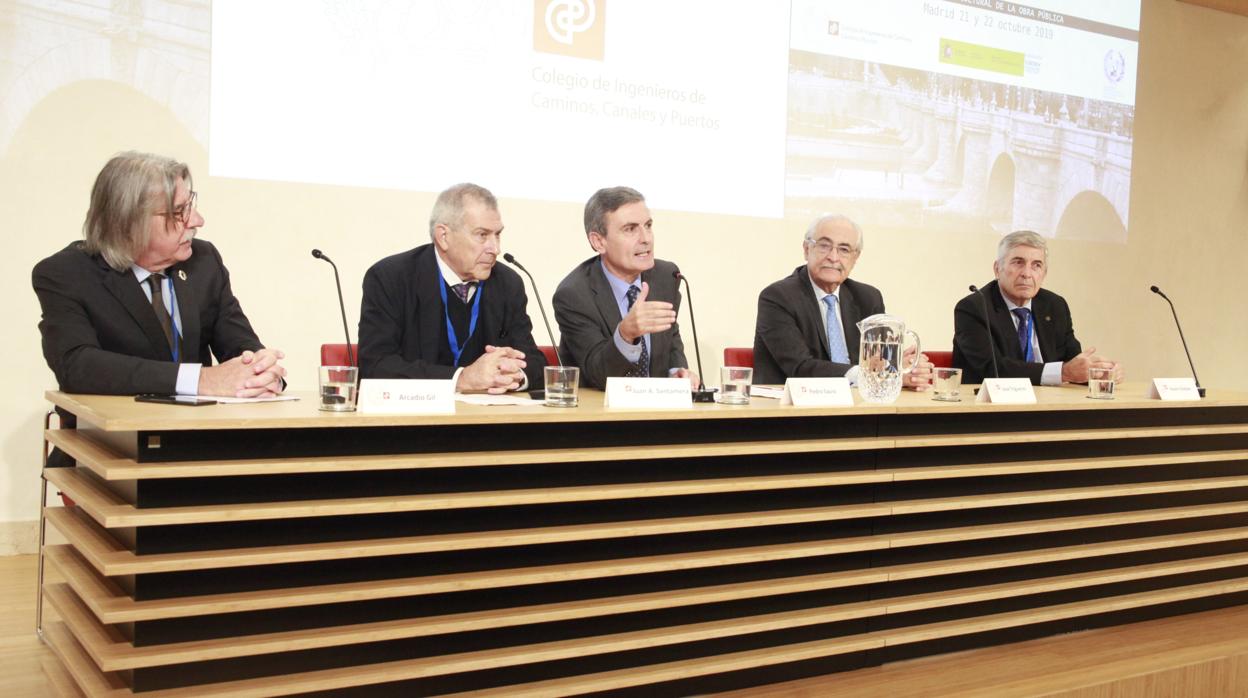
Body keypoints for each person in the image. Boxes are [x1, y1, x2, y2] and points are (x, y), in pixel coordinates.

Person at [33, 151, 286, 398]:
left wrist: (260, 369)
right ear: (128, 222)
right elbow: (77, 366)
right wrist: (200, 380)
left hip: (196, 434)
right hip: (112, 435)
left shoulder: (204, 261)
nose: (197, 220)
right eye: (179, 212)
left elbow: (238, 345)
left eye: (191, 206)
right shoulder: (66, 273)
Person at [358, 183, 545, 392]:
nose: (496, 249)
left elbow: (533, 361)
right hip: (416, 419)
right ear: (443, 237)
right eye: (482, 235)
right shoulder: (391, 278)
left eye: (497, 234)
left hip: (489, 420)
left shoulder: (508, 283)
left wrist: (515, 374)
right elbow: (376, 366)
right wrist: (461, 379)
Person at [753, 214, 933, 388]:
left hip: (859, 408)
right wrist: (869, 372)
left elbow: (882, 360)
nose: (833, 257)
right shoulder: (777, 297)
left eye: (844, 249)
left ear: (855, 258)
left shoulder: (868, 298)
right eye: (824, 245)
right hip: (794, 411)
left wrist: (907, 367)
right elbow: (800, 368)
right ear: (807, 249)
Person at [553, 186, 697, 389]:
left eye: (648, 225)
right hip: (602, 414)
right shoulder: (574, 295)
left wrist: (677, 372)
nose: (646, 238)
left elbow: (671, 338)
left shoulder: (666, 276)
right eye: (630, 229)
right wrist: (625, 335)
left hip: (660, 413)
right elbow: (597, 374)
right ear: (598, 241)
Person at [952, 230, 1123, 385]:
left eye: (1036, 265)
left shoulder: (1054, 305)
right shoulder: (973, 308)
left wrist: (1096, 373)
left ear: (1044, 274)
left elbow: (1072, 361)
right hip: (990, 410)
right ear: (998, 269)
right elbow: (994, 369)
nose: (1027, 273)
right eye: (1018, 263)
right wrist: (1063, 372)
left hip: (1047, 406)